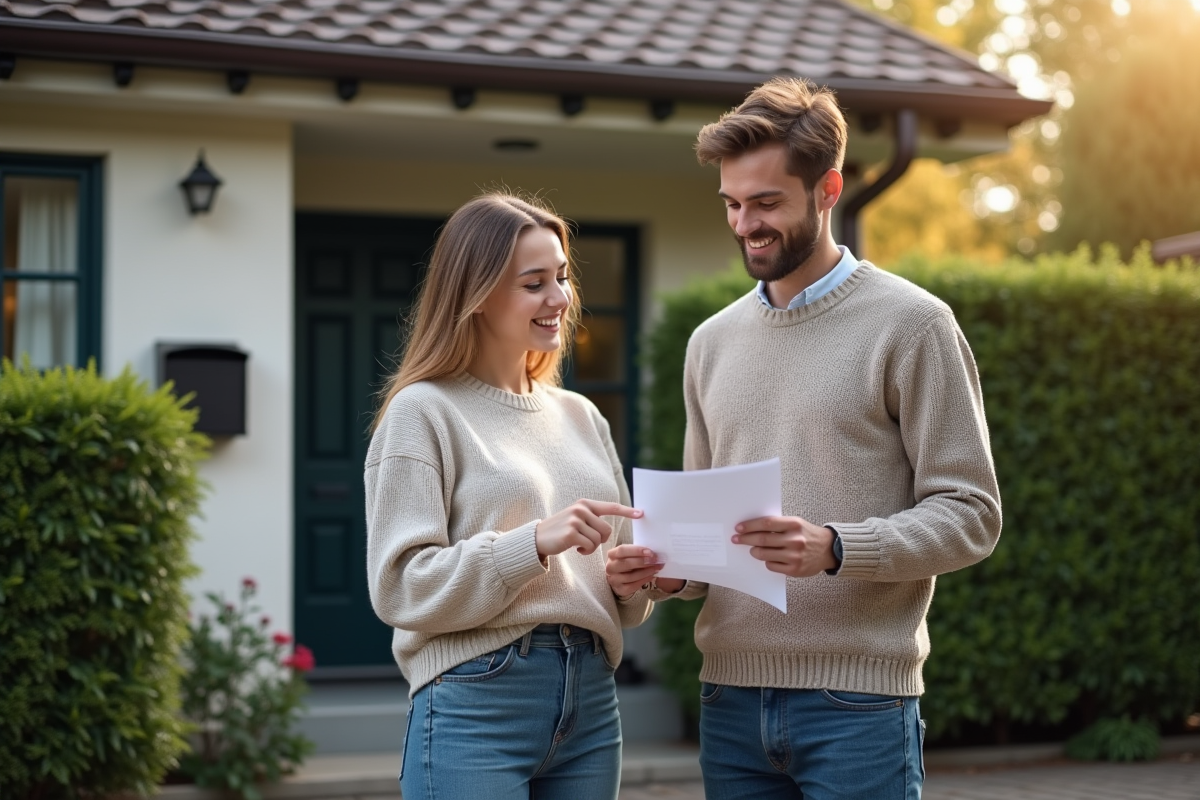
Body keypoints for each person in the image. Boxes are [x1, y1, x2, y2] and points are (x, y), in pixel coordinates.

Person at [607, 77, 1002, 799]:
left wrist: (836, 547)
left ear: (828, 190)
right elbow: (707, 545)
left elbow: (973, 514)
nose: (744, 224)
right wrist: (668, 573)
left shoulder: (913, 326)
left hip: (859, 707)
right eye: (731, 203)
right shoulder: (709, 343)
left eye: (766, 203)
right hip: (729, 703)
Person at [365, 192, 652, 800]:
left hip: (592, 701)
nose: (561, 299)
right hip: (478, 701)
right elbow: (401, 585)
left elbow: (615, 587)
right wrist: (533, 541)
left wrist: (631, 582)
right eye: (535, 283)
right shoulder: (424, 412)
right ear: (477, 294)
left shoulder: (582, 417)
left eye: (564, 277)